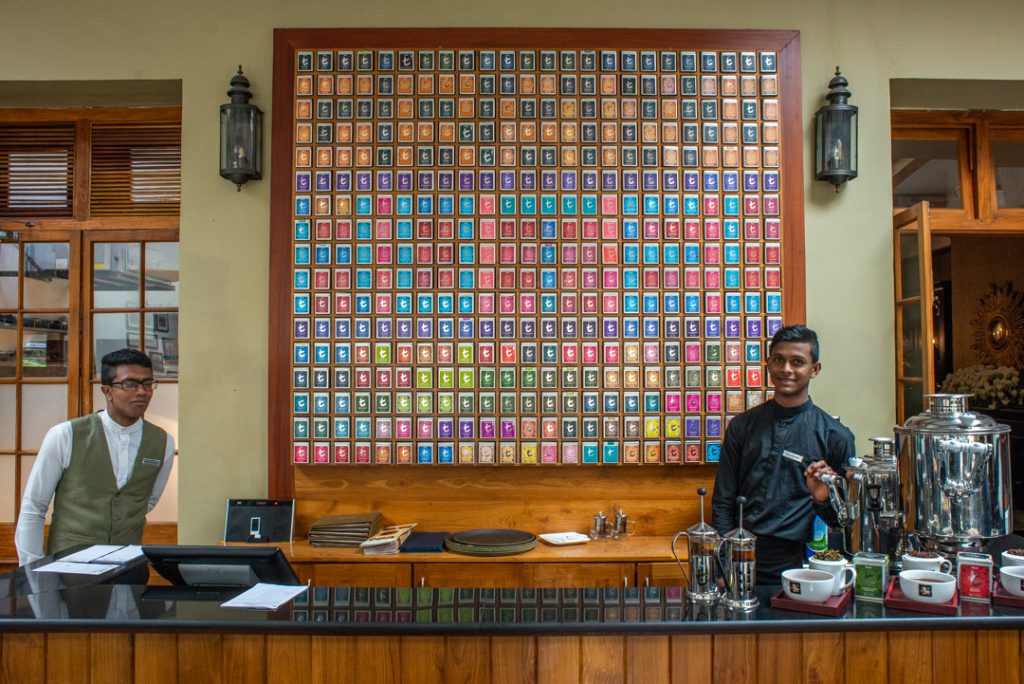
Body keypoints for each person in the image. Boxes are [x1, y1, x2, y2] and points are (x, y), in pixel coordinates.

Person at [711, 324, 855, 585]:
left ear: (815, 369)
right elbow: (723, 501)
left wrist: (822, 499)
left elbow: (843, 522)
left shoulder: (836, 436)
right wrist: (723, 564)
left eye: (797, 362)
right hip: (740, 558)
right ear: (768, 364)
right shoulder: (742, 426)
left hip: (801, 565)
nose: (786, 369)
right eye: (779, 360)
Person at [15, 348, 175, 565]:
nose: (142, 392)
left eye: (147, 383)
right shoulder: (66, 435)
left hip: (129, 564)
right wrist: (31, 568)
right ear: (107, 391)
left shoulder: (163, 442)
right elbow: (34, 507)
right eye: (130, 384)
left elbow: (148, 500)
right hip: (69, 564)